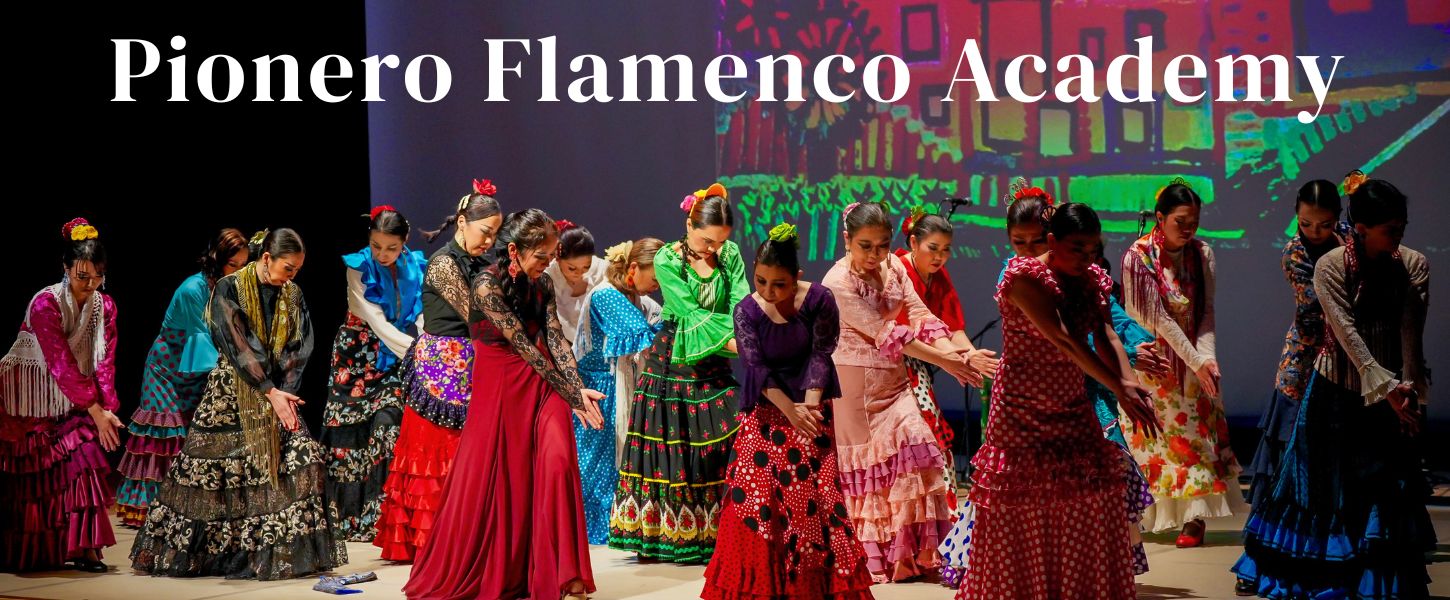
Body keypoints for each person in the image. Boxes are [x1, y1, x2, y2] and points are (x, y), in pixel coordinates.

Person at [1232, 178, 1434, 599]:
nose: (1398, 236)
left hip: (1387, 390)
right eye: (1390, 230)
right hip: (1332, 380)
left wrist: (1412, 393)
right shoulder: (1326, 263)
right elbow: (1347, 335)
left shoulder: (1412, 263)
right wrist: (1386, 388)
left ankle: (1370, 581)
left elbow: (1410, 334)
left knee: (1382, 489)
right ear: (1361, 229)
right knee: (1315, 487)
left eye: (1402, 227)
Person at [958, 203, 1160, 599]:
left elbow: (1107, 333)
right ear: (1052, 241)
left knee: (1087, 498)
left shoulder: (1090, 278)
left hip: (1070, 402)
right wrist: (1118, 387)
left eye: (1092, 249)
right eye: (1076, 248)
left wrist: (1130, 383)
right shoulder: (1024, 278)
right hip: (1021, 410)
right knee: (1022, 506)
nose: (1086, 257)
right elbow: (1065, 340)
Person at [404, 209, 605, 600]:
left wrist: (577, 388)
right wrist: (569, 392)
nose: (548, 264)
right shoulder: (485, 285)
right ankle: (514, 570)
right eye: (542, 256)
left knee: (559, 461)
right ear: (514, 250)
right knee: (502, 480)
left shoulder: (542, 282)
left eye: (551, 256)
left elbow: (554, 339)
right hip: (501, 386)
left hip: (543, 381)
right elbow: (524, 347)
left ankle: (566, 572)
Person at [130, 228, 348, 580]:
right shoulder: (229, 288)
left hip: (277, 393)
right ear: (267, 258)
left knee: (300, 459)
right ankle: (221, 555)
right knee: (217, 476)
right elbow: (237, 343)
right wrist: (268, 389)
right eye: (288, 268)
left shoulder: (292, 293)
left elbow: (300, 345)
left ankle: (265, 553)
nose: (292, 276)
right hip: (232, 392)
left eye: (297, 270)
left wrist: (284, 391)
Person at [702, 223, 875, 600]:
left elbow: (821, 353)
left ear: (796, 276)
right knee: (756, 498)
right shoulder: (746, 311)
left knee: (812, 498)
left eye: (778, 284)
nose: (768, 291)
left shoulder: (819, 299)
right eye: (761, 281)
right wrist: (790, 410)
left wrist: (809, 405)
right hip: (767, 414)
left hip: (811, 411)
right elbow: (756, 367)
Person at [823, 201, 979, 583]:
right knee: (872, 471)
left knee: (917, 443)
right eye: (866, 246)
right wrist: (948, 362)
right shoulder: (838, 282)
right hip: (857, 387)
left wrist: (959, 355)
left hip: (894, 380)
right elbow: (887, 333)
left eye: (882, 245)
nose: (876, 254)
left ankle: (913, 554)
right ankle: (878, 558)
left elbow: (921, 315)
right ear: (847, 240)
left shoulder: (893, 267)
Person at [608, 184, 746, 564]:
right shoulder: (668, 259)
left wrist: (745, 335)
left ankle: (722, 532)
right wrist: (740, 344)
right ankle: (669, 537)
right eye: (707, 240)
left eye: (720, 242)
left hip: (715, 358)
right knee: (677, 444)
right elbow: (689, 313)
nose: (713, 249)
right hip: (675, 358)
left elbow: (739, 305)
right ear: (689, 225)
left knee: (729, 432)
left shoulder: (730, 255)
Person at [374, 180, 501, 562]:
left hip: (475, 362)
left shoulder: (483, 263)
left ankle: (470, 536)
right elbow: (476, 315)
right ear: (462, 222)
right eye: (485, 231)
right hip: (443, 367)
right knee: (437, 450)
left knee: (472, 453)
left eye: (495, 234)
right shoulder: (444, 263)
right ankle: (433, 540)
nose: (489, 241)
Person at [1120, 178, 1245, 547]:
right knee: (1151, 442)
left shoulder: (1202, 253)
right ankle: (1145, 518)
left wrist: (1207, 359)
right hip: (1152, 362)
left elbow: (1206, 311)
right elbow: (1158, 319)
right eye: (1180, 221)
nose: (1188, 228)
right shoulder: (1138, 256)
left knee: (1195, 439)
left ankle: (1194, 519)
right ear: (1160, 218)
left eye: (1194, 221)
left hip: (1192, 365)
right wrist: (1196, 362)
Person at [0, 218, 121, 573]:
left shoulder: (105, 306)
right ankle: (32, 552)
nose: (90, 284)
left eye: (97, 276)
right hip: (29, 400)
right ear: (65, 269)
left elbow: (105, 361)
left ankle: (86, 549)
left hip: (71, 396)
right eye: (82, 276)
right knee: (34, 480)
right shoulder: (45, 304)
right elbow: (60, 362)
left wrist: (107, 409)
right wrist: (94, 410)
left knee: (85, 460)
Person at [116, 228, 248, 527]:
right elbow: (205, 338)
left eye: (243, 265)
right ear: (217, 260)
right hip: (167, 368)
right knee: (164, 437)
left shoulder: (231, 286)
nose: (239, 271)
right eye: (233, 265)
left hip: (198, 366)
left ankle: (189, 507)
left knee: (193, 436)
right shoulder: (193, 289)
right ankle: (154, 510)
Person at [322, 205, 425, 541]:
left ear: (405, 241)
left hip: (396, 352)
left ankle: (384, 518)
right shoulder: (358, 267)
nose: (382, 254)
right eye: (376, 245)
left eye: (391, 247)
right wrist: (419, 352)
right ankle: (350, 517)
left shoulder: (415, 266)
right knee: (352, 434)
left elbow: (420, 315)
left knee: (388, 426)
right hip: (358, 356)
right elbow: (376, 321)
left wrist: (429, 345)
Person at [1245, 177, 1346, 507]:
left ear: (1337, 217)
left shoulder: (1350, 237)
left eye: (1324, 224)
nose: (1315, 231)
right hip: (1308, 349)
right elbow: (1317, 307)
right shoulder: (1295, 253)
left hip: (1350, 349)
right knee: (1295, 435)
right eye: (1306, 223)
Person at [893, 209, 998, 511]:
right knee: (912, 441)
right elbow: (905, 332)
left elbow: (951, 326)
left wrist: (970, 355)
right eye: (933, 248)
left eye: (946, 250)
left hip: (920, 363)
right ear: (914, 242)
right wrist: (952, 358)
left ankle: (939, 517)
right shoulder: (898, 269)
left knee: (932, 439)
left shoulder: (938, 276)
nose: (940, 257)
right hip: (892, 365)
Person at [571, 237, 664, 545]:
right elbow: (645, 335)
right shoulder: (607, 296)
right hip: (600, 390)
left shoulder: (639, 299)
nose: (658, 286)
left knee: (618, 465)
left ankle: (621, 528)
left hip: (622, 386)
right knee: (596, 467)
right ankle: (594, 532)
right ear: (634, 268)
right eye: (656, 278)